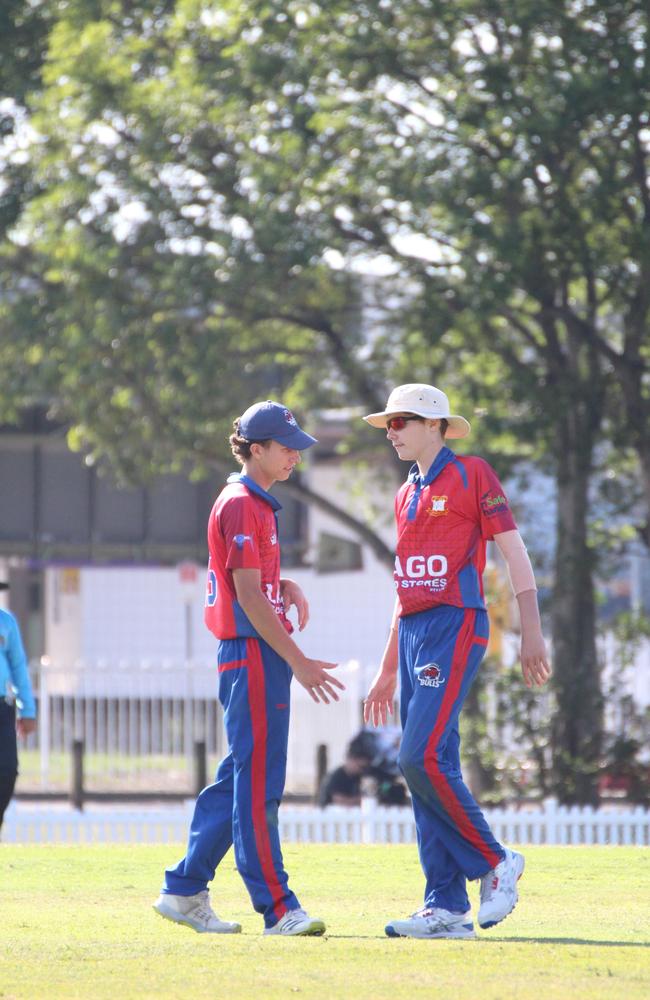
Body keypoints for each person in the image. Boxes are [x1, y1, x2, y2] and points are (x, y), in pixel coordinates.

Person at [362, 384, 551, 940]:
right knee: (431, 765)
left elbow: (514, 553)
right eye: (390, 424)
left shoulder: (473, 474)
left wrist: (531, 633)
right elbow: (405, 586)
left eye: (401, 422)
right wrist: (386, 666)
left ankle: (496, 863)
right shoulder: (405, 493)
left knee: (417, 758)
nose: (392, 432)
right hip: (417, 630)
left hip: (456, 623)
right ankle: (445, 907)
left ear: (435, 424)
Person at [154, 401, 344, 937]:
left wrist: (283, 584)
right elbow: (246, 599)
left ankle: (184, 888)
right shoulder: (242, 503)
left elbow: (254, 585)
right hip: (253, 653)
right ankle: (278, 908)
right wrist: (299, 660)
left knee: (241, 775)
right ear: (255, 450)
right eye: (286, 448)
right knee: (259, 782)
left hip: (252, 652)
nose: (294, 458)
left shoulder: (255, 503)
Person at [0, 584, 37, 834]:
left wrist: (28, 710)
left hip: (2, 706)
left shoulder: (6, 622)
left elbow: (18, 665)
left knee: (7, 770)